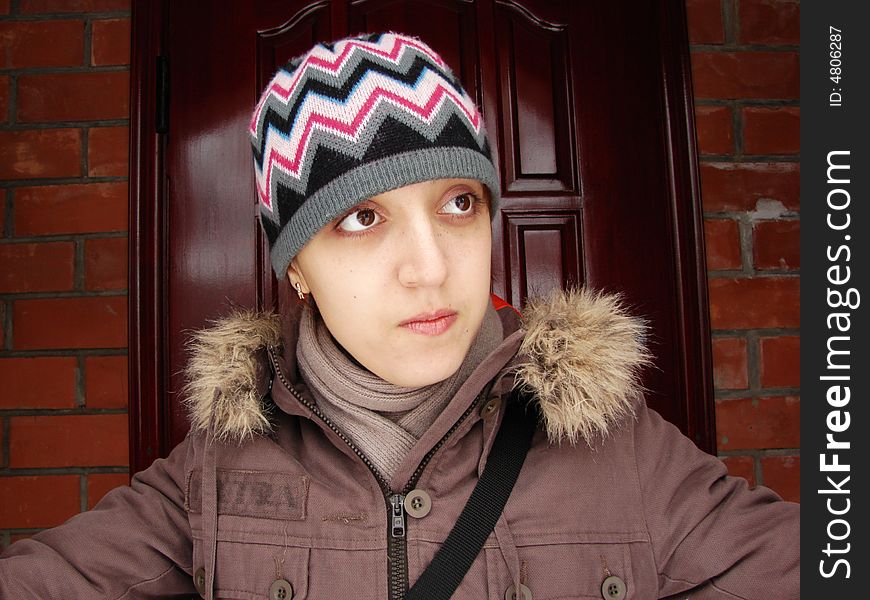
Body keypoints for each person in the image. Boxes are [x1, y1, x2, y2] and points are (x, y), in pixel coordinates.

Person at [0, 32, 798, 599]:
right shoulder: (217, 469)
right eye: (362, 218)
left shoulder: (619, 445)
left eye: (457, 204)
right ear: (297, 268)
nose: (431, 268)